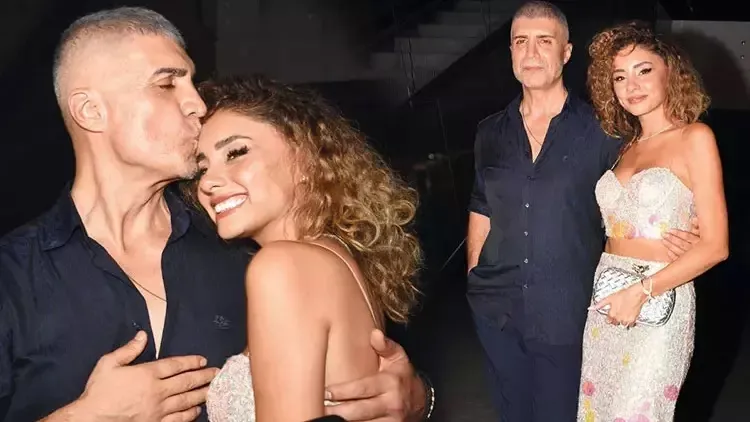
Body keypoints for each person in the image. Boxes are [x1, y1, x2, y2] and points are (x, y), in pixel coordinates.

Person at [0, 7, 432, 422]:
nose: (197, 103)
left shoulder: (243, 240)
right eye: (167, 84)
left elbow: (359, 369)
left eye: (191, 82)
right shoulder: (13, 277)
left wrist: (419, 397)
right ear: (91, 111)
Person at [465, 2, 700, 421]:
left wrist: (689, 228)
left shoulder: (606, 131)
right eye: (521, 41)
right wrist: (474, 279)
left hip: (568, 313)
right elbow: (481, 208)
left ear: (566, 52)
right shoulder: (489, 132)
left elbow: (649, 187)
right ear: (510, 51)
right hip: (496, 311)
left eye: (544, 41)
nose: (531, 52)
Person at [181, 75, 422, 422]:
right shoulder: (332, 255)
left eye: (236, 153)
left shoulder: (282, 266)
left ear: (306, 158)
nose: (208, 182)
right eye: (202, 168)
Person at [577, 21, 728, 421]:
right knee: (598, 411)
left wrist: (642, 291)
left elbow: (716, 246)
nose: (632, 85)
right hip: (608, 292)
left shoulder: (695, 137)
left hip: (660, 296)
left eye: (643, 70)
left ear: (670, 72)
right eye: (619, 77)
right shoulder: (626, 147)